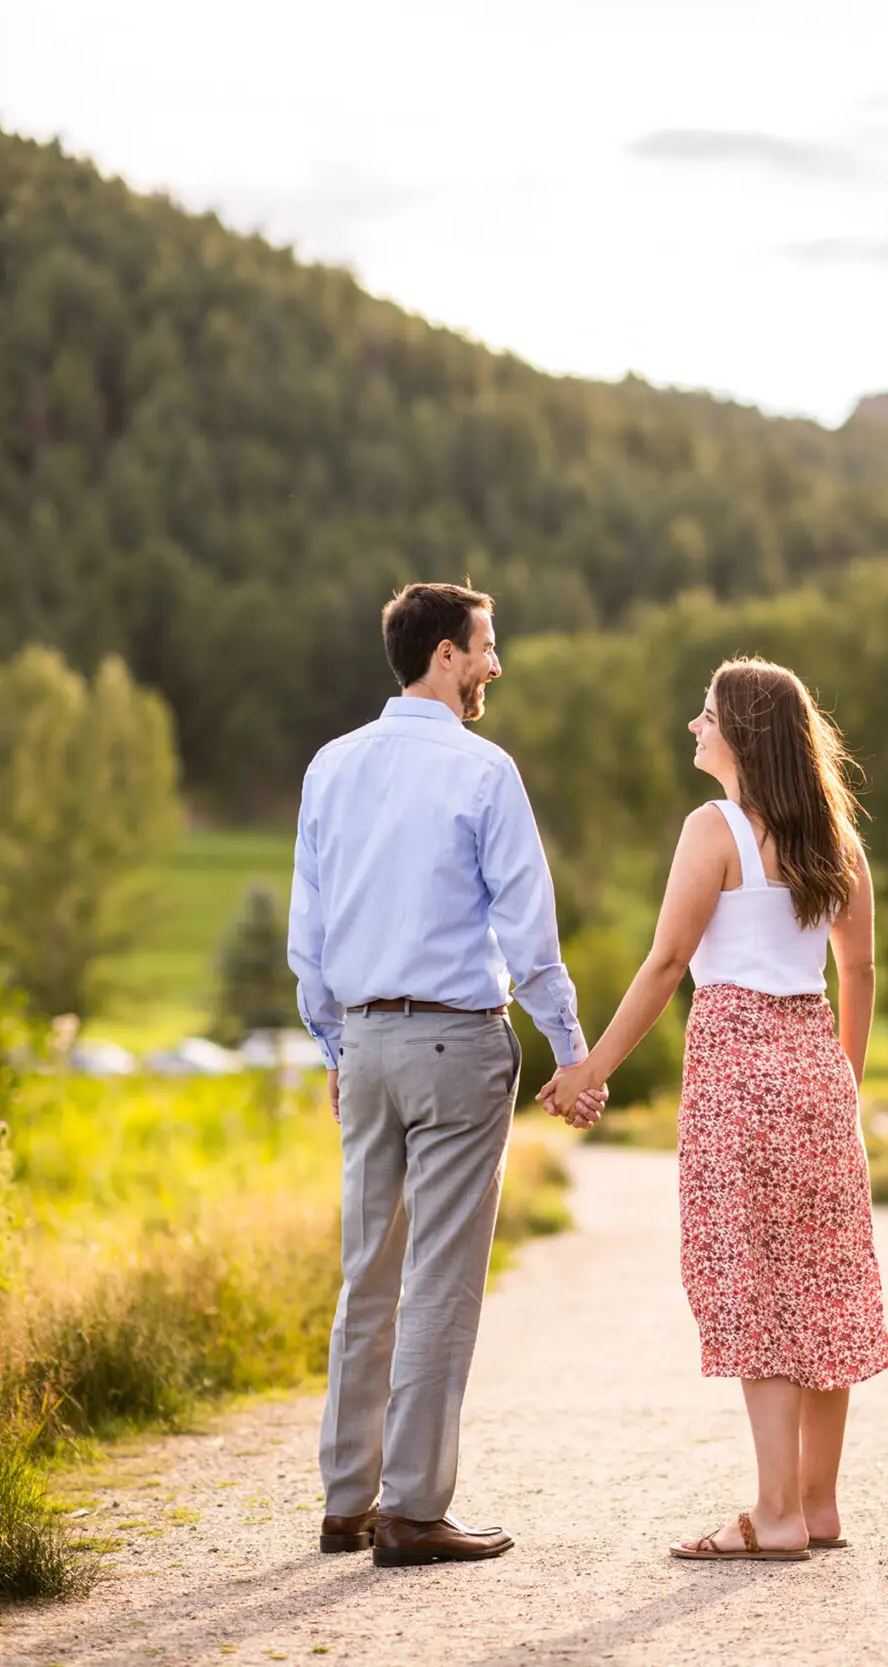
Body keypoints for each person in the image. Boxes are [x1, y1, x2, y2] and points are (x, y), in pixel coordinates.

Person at [542, 656, 888, 1562]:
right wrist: (845, 1086)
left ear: (742, 731)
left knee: (754, 1286)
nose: (693, 728)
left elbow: (666, 965)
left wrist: (588, 1070)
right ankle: (818, 1504)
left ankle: (773, 1515)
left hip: (737, 1066)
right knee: (823, 1282)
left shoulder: (714, 829)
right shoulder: (837, 841)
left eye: (705, 716)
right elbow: (856, 971)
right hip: (817, 1064)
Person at [289, 581, 606, 1569]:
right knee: (439, 1281)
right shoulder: (483, 769)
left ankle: (347, 1500)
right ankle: (414, 1509)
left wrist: (338, 1047)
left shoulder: (330, 766)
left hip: (369, 1045)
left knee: (367, 1271)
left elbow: (309, 936)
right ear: (443, 654)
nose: (493, 666)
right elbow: (527, 925)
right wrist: (572, 1050)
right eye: (485, 647)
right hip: (457, 1042)